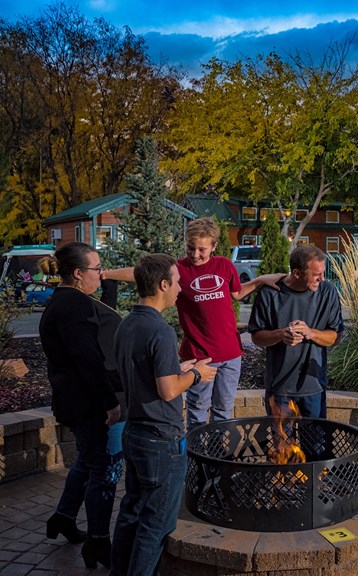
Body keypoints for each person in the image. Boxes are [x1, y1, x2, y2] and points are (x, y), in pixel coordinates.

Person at [103, 216, 284, 431]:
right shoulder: (178, 269)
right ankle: (196, 457)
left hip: (231, 353)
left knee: (223, 410)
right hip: (200, 355)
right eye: (191, 248)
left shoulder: (224, 265)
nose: (195, 254)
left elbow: (237, 293)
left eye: (202, 250)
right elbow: (141, 273)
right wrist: (106, 274)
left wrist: (260, 280)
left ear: (214, 246)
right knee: (197, 410)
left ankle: (218, 456)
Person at [110, 254, 217, 576]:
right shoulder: (161, 330)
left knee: (132, 511)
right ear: (162, 284)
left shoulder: (127, 323)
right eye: (178, 281)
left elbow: (145, 373)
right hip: (161, 440)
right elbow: (168, 390)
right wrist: (197, 375)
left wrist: (178, 368)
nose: (181, 288)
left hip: (135, 434)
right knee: (156, 523)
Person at [39, 242, 125, 569]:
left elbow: (104, 321)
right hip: (86, 404)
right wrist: (110, 403)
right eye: (96, 269)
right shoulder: (73, 307)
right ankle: (99, 543)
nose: (100, 273)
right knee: (103, 471)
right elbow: (87, 358)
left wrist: (110, 281)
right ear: (78, 274)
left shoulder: (71, 301)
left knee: (88, 463)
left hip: (76, 400)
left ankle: (62, 517)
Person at [248, 245, 342, 417]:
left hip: (314, 386)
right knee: (282, 444)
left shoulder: (328, 292)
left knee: (315, 444)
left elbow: (335, 337)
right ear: (297, 273)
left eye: (323, 273)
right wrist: (280, 334)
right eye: (316, 275)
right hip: (279, 388)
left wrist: (310, 333)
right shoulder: (270, 293)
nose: (322, 279)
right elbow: (256, 337)